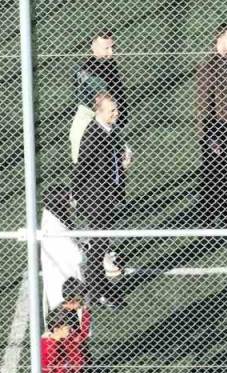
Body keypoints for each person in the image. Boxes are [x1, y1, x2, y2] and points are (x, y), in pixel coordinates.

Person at [72, 92, 130, 308]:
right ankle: (97, 292)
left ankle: (98, 289)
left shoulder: (107, 131)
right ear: (99, 112)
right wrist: (75, 195)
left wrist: (122, 166)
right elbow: (82, 168)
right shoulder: (94, 135)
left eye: (116, 109)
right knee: (98, 248)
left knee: (101, 245)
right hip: (97, 201)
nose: (116, 113)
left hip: (105, 198)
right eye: (112, 110)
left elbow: (108, 166)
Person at [196, 24, 227, 228]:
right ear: (220, 39)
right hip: (217, 131)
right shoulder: (209, 66)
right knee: (213, 174)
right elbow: (203, 105)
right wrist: (209, 137)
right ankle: (208, 214)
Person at [70, 30, 127, 165]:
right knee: (86, 167)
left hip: (106, 122)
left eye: (113, 47)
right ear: (92, 46)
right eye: (106, 48)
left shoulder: (110, 66)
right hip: (89, 121)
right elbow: (102, 99)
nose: (111, 53)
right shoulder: (84, 69)